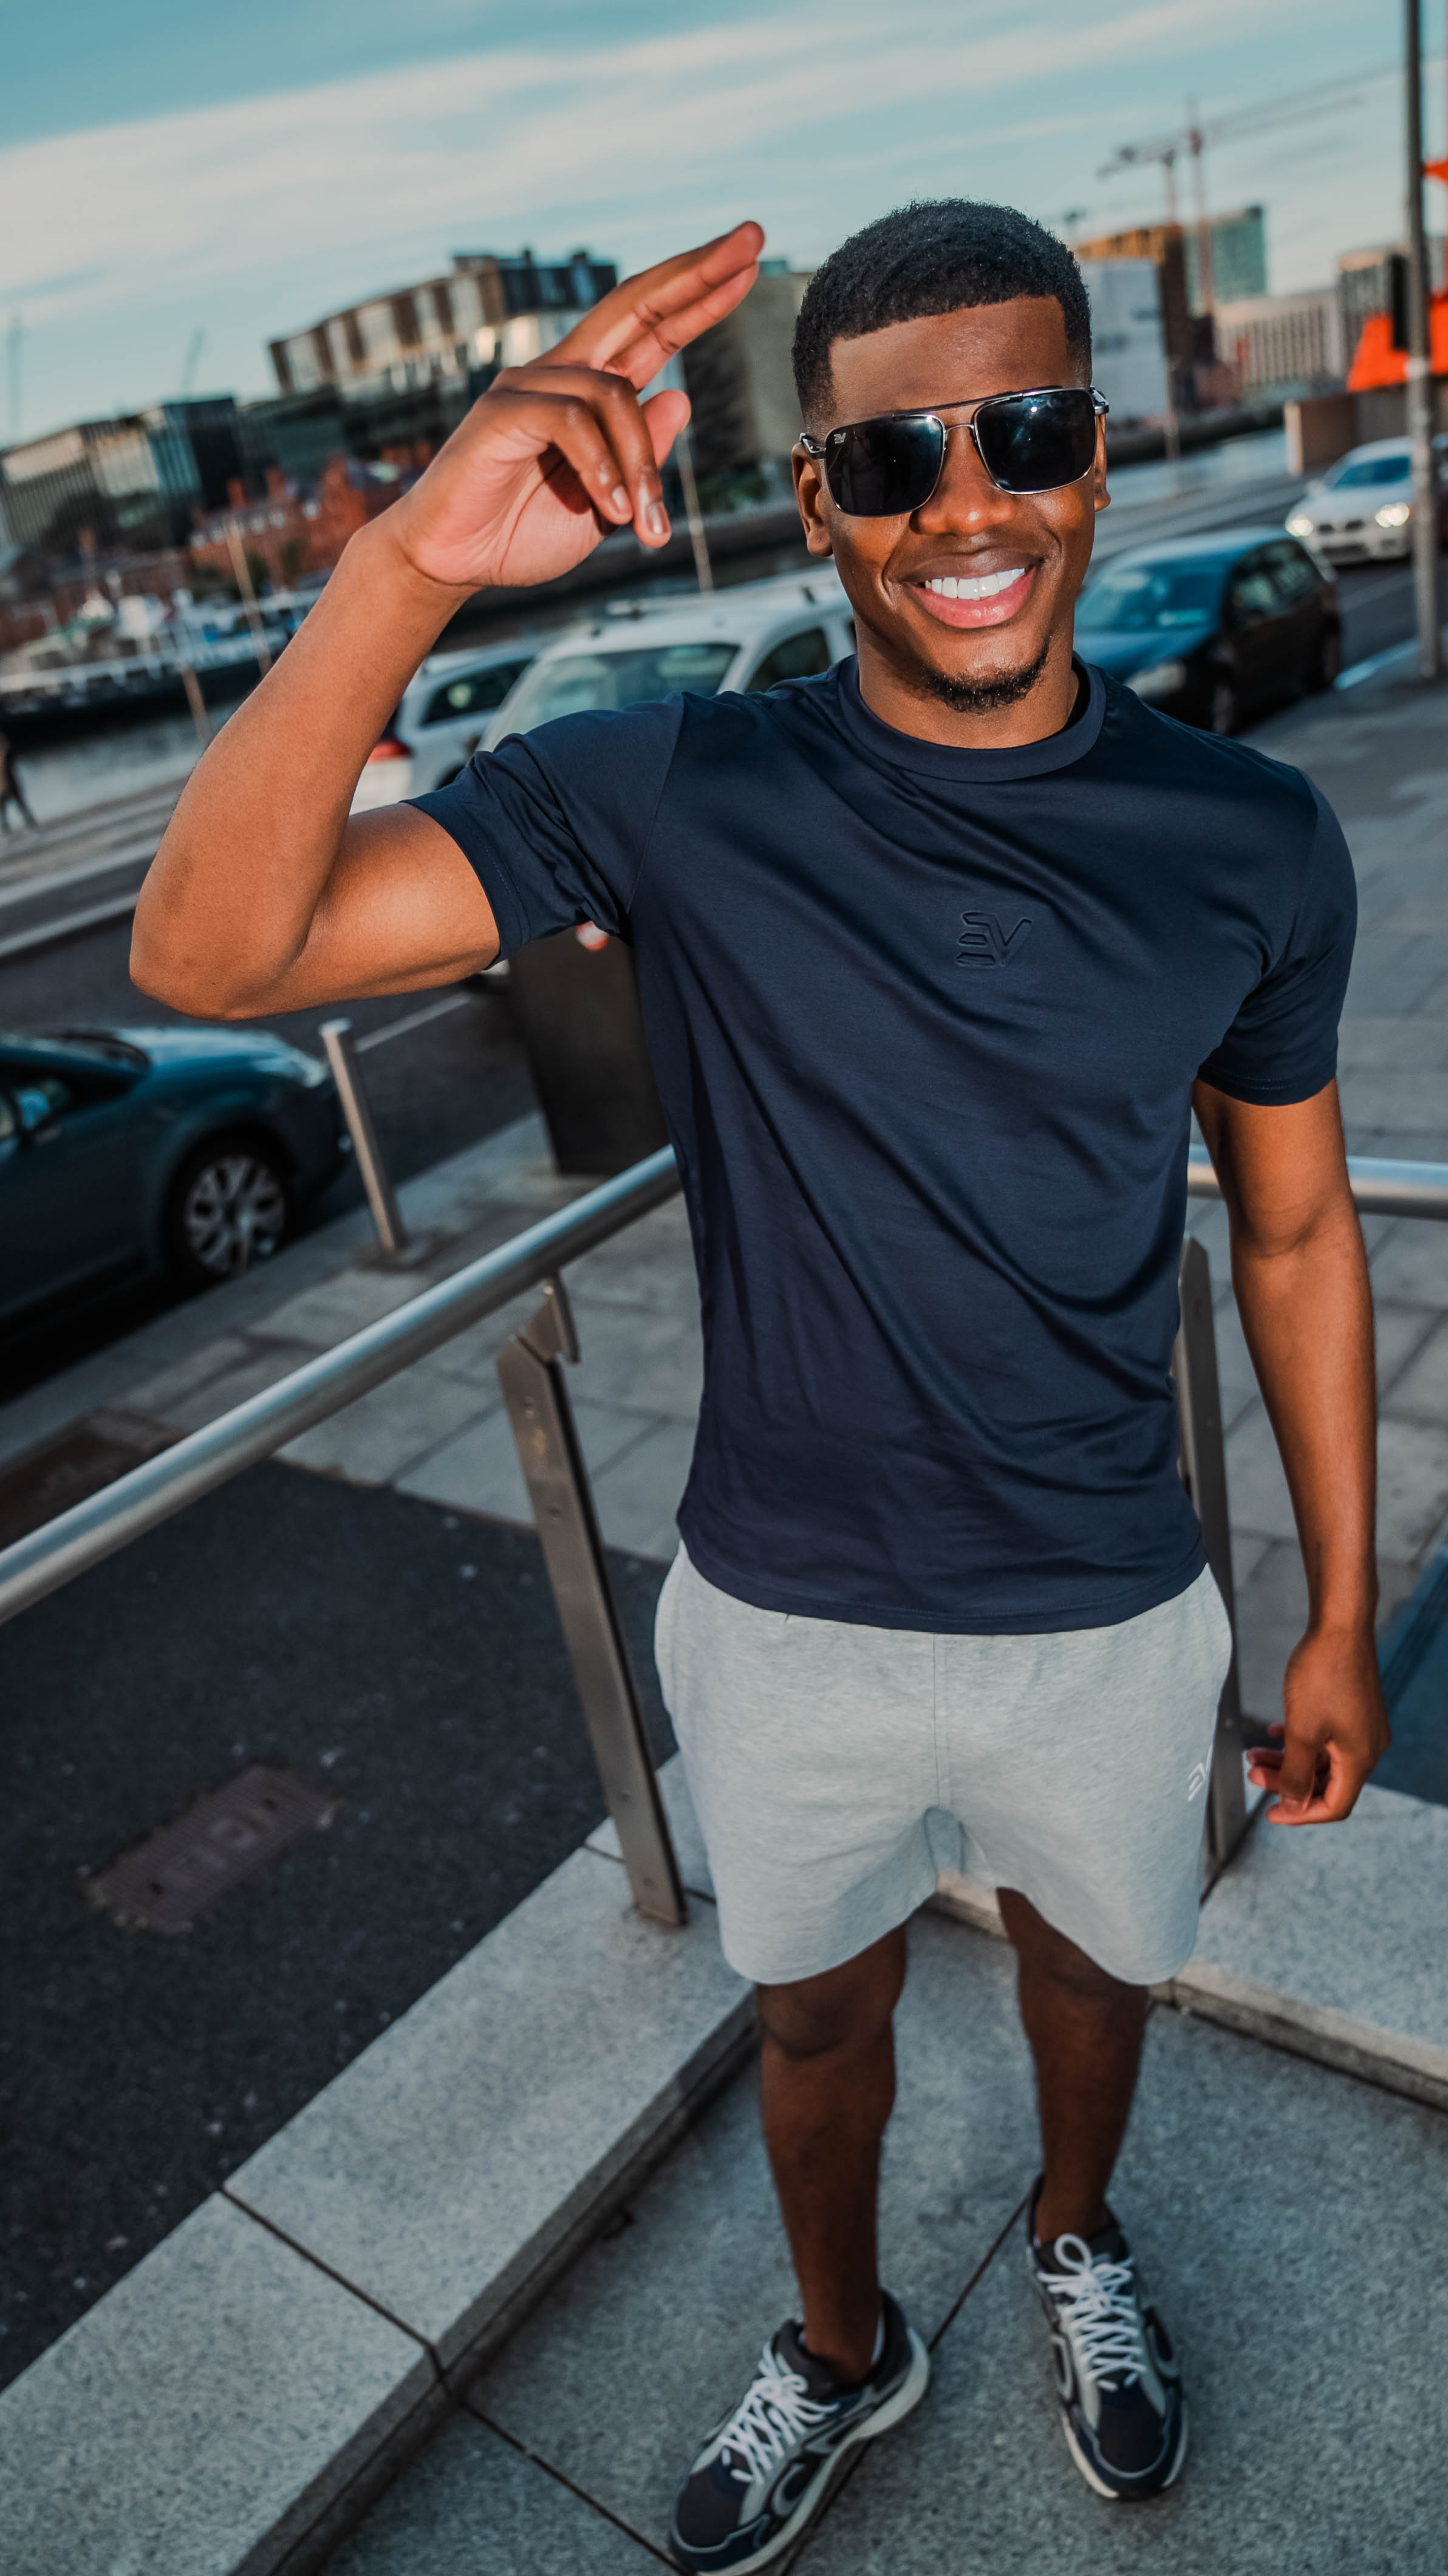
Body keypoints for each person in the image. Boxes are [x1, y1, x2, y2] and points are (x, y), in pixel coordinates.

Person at [132, 201, 1388, 2567]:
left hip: (1113, 1612)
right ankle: (839, 2344)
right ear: (812, 502)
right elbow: (206, 943)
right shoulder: (670, 793)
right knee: (807, 2029)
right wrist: (412, 552)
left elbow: (1299, 1229)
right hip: (787, 1613)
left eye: (1019, 432)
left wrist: (1324, 1609)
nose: (968, 506)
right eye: (893, 459)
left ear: (1092, 448)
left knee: (1093, 1974)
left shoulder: (1245, 841)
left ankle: (1066, 2234)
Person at [0, 730, 37, 831]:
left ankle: (29, 821)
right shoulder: (6, 755)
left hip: (9, 783)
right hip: (5, 784)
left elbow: (10, 762)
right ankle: (7, 826)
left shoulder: (6, 755)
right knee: (6, 806)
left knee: (18, 804)